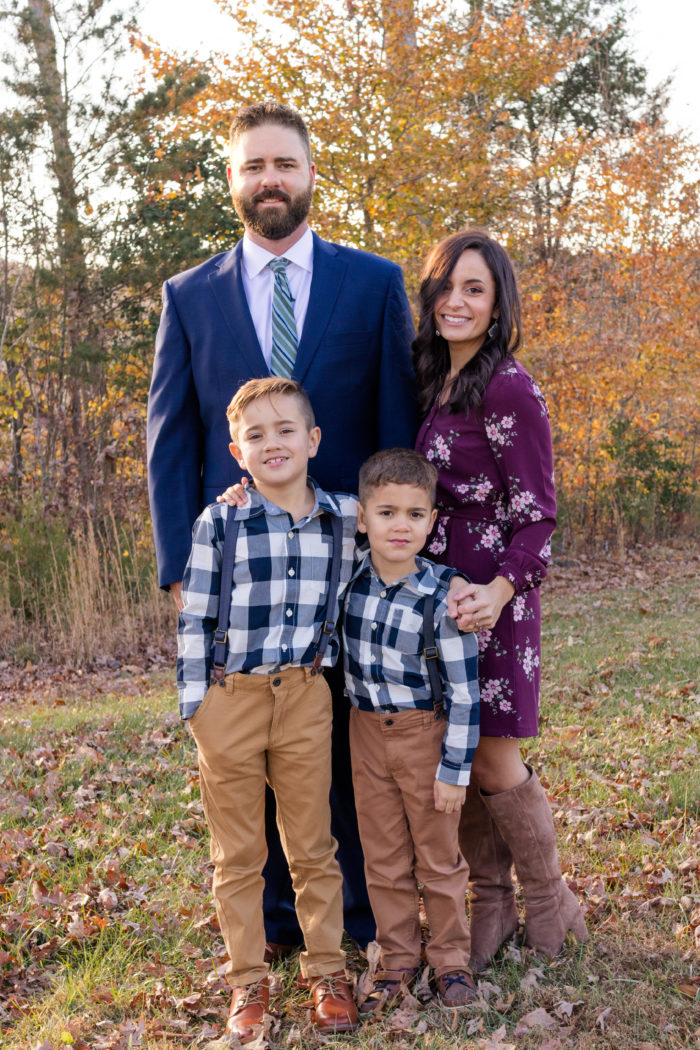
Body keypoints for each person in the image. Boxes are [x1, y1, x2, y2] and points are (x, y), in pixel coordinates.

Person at [147, 100, 417, 955]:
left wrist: (396, 546)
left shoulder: (373, 283)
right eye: (253, 166)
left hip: (345, 561)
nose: (270, 179)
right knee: (247, 751)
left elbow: (394, 426)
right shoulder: (189, 296)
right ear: (233, 182)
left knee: (336, 742)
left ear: (309, 175)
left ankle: (355, 919)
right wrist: (177, 566)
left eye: (284, 164)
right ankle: (267, 930)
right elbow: (171, 438)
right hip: (237, 571)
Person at [413, 229, 588, 969]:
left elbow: (539, 512)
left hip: (496, 597)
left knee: (494, 757)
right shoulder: (433, 380)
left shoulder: (510, 385)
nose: (457, 300)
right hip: (442, 598)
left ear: (497, 303)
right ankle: (493, 903)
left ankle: (551, 900)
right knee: (464, 752)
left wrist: (500, 588)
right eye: (446, 286)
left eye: (474, 289)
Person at [178, 377, 360, 1040]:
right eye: (256, 435)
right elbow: (194, 619)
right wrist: (197, 710)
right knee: (239, 853)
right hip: (231, 697)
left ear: (313, 440)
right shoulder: (218, 522)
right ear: (237, 451)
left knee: (313, 843)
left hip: (306, 694)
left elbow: (405, 521)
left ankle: (327, 970)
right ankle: (247, 982)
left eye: (286, 430)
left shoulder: (344, 518)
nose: (273, 443)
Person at [343, 449, 481, 1014]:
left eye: (415, 514)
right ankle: (398, 956)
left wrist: (454, 772)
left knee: (438, 857)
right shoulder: (349, 579)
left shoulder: (445, 596)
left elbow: (467, 694)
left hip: (425, 734)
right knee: (382, 855)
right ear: (362, 518)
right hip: (365, 731)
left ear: (431, 521)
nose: (400, 525)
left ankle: (451, 960)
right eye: (386, 512)